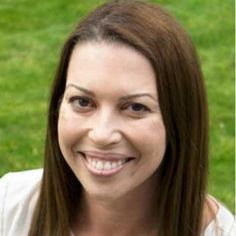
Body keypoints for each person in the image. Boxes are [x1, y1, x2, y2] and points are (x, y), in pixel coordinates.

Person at [0, 1, 235, 235]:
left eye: (135, 107)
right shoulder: (9, 207)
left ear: (179, 119)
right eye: (82, 102)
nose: (102, 134)